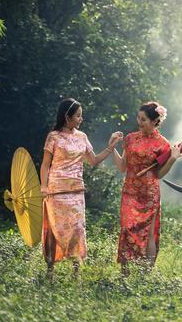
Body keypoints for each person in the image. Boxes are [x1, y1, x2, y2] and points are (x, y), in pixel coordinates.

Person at [40, 98, 122, 278]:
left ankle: (76, 271)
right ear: (67, 117)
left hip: (76, 190)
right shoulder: (53, 137)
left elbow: (93, 161)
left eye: (81, 116)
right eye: (78, 116)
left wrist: (111, 147)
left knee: (77, 228)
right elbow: (46, 165)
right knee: (55, 229)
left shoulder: (82, 137)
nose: (80, 119)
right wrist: (43, 186)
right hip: (56, 190)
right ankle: (50, 270)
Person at [112, 101, 181, 275]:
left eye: (143, 119)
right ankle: (125, 274)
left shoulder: (163, 144)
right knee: (127, 229)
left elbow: (159, 174)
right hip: (130, 191)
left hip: (149, 193)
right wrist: (112, 148)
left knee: (149, 234)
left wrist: (172, 159)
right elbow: (122, 167)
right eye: (139, 118)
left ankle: (146, 275)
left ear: (154, 121)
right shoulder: (130, 139)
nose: (139, 122)